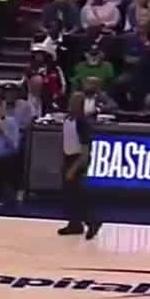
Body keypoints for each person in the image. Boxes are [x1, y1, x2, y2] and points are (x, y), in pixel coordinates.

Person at [58, 91, 100, 239]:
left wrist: (74, 167)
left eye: (76, 101)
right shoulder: (67, 119)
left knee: (77, 195)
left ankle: (93, 222)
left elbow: (85, 150)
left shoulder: (82, 123)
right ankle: (75, 224)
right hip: (68, 156)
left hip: (78, 159)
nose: (72, 103)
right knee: (69, 195)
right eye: (72, 100)